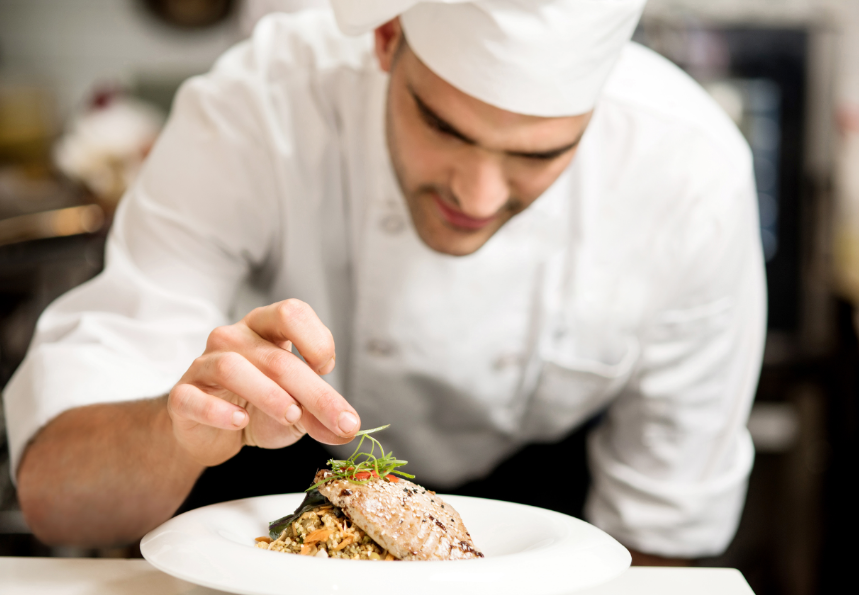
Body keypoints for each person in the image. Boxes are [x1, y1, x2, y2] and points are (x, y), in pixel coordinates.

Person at [3, 0, 765, 565]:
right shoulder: (259, 105)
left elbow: (661, 537)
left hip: (545, 524)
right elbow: (53, 494)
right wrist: (174, 436)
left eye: (536, 156)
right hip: (266, 505)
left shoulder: (690, 175)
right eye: (443, 126)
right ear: (386, 36)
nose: (477, 195)